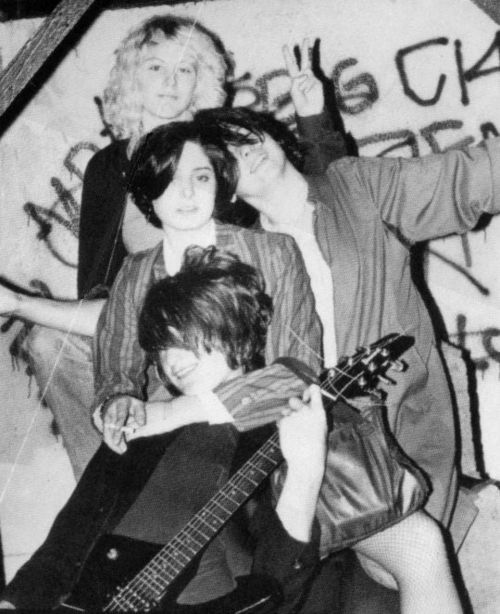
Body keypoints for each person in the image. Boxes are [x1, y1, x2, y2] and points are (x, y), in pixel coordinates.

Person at [0, 18, 344, 479]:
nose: (170, 82)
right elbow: (104, 302)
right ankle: (101, 488)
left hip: (226, 338)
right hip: (144, 335)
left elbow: (314, 189)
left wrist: (314, 119)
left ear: (202, 79)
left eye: (185, 70)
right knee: (47, 344)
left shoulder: (220, 147)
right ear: (131, 77)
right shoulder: (107, 167)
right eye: (155, 67)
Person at [0, 248, 329, 611]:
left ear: (233, 327)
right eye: (161, 347)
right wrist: (14, 603)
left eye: (184, 337)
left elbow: (279, 590)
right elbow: (67, 542)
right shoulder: (142, 430)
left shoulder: (286, 427)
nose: (170, 361)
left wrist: (306, 472)